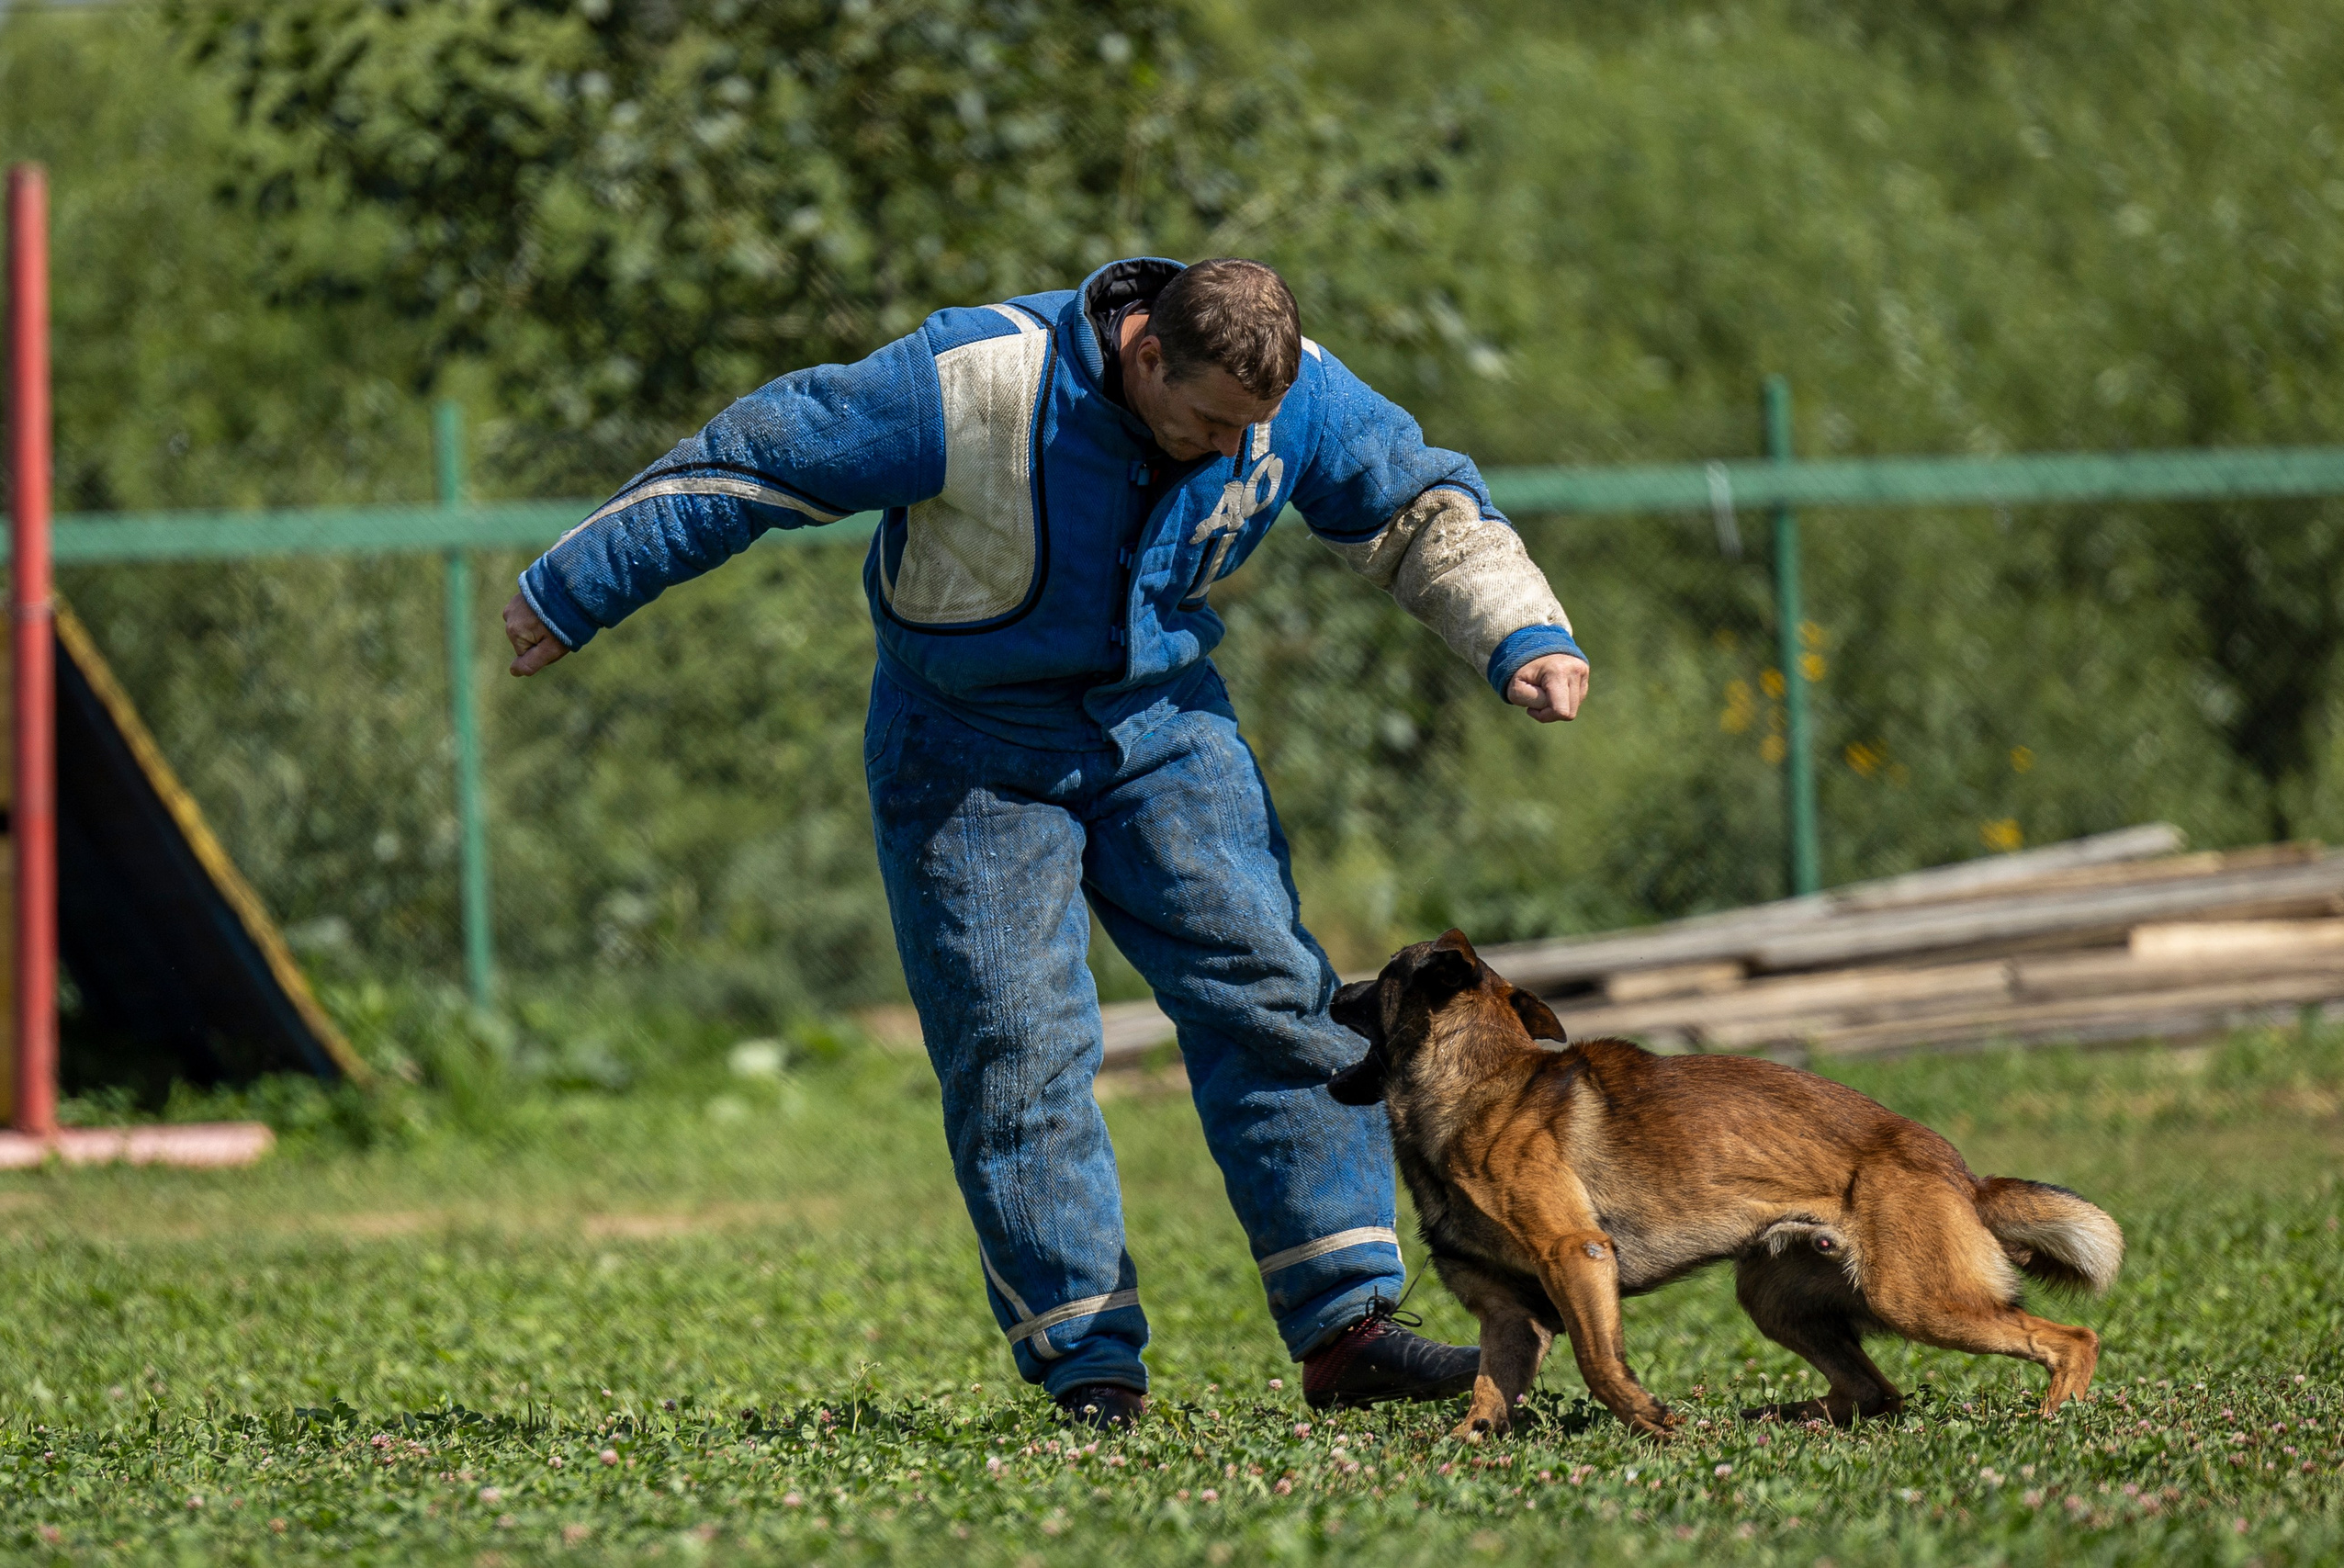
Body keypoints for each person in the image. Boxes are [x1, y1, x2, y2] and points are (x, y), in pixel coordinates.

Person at [502, 257, 1589, 1426]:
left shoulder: (1298, 395)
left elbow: (1418, 503)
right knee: (1015, 1046)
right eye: (1211, 422)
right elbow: (756, 457)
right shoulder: (971, 382)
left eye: (1253, 429)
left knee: (1279, 1000)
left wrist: (1518, 632)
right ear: (1145, 355)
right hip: (965, 746)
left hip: (1165, 727)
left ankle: (1349, 1327)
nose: (1233, 452)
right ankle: (1089, 1365)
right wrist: (574, 589)